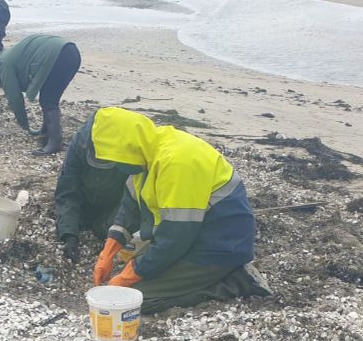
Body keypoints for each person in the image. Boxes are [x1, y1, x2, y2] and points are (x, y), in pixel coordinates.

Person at [88, 107, 271, 314]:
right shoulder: (143, 155)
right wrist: (107, 254)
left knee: (137, 300)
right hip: (191, 236)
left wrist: (129, 275)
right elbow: (129, 210)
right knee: (133, 275)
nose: (116, 165)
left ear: (127, 147)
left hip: (219, 245)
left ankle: (236, 281)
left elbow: (175, 237)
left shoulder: (177, 161)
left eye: (116, 159)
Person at [55, 109, 130, 262]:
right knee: (70, 220)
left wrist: (109, 233)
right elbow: (67, 190)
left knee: (105, 229)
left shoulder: (132, 151)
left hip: (116, 206)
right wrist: (69, 235)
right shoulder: (79, 144)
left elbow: (132, 201)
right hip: (86, 201)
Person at [0, 34, 80, 155]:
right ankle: (46, 132)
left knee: (48, 101)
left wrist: (25, 125)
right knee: (50, 97)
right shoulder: (12, 54)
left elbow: (15, 98)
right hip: (72, 52)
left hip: (58, 55)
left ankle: (55, 143)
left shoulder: (4, 64)